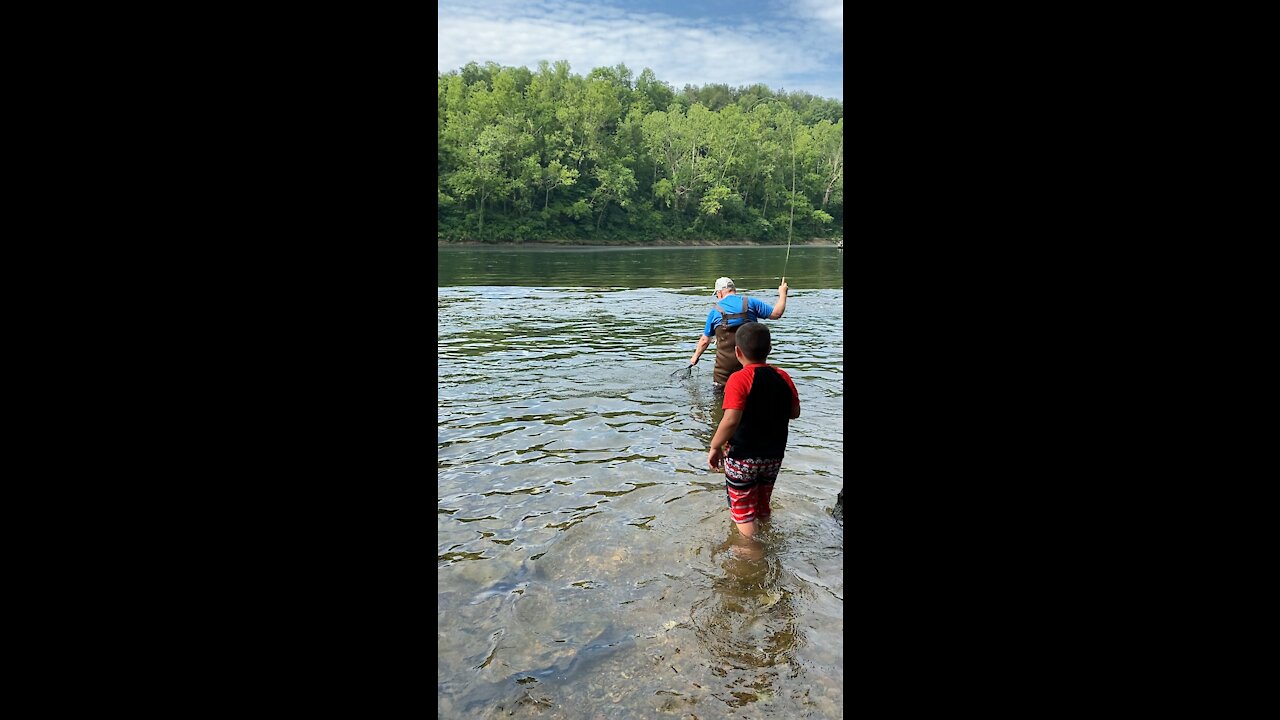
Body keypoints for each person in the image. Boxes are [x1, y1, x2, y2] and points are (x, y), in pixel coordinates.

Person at [706, 322, 800, 539]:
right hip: (773, 456)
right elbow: (794, 412)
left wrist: (715, 446)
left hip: (743, 458)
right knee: (762, 504)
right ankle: (768, 538)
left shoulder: (739, 379)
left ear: (737, 352)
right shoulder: (783, 376)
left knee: (743, 514)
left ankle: (751, 557)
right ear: (769, 349)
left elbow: (730, 420)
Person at [689, 276, 788, 390]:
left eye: (717, 295)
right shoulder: (751, 303)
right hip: (751, 370)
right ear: (734, 290)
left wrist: (695, 357)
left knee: (721, 398)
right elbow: (776, 314)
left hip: (723, 373)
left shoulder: (714, 312)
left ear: (720, 293)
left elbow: (705, 340)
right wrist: (783, 294)